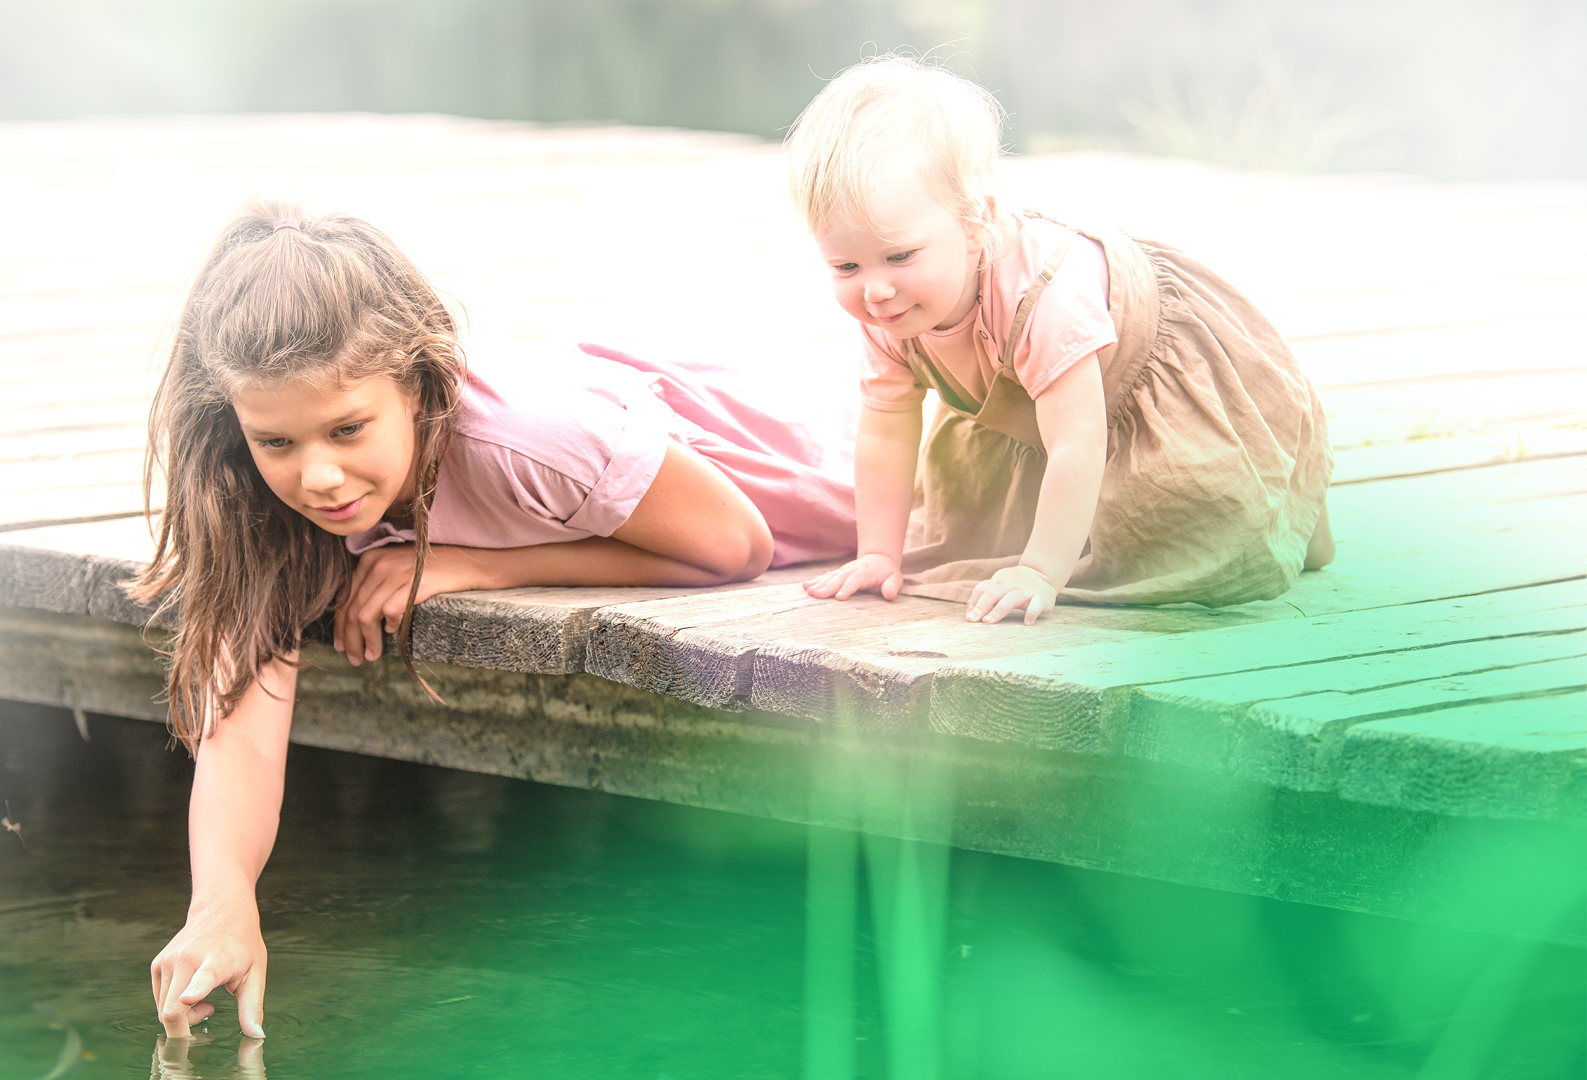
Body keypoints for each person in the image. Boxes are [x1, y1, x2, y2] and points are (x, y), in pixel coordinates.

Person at [128, 202, 854, 1039]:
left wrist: (473, 565)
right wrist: (222, 904)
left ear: (413, 383)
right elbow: (244, 720)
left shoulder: (527, 438)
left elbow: (737, 544)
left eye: (347, 429)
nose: (319, 475)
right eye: (277, 442)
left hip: (864, 478)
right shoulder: (259, 489)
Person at [794, 56, 1335, 624]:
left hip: (1142, 372)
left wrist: (1040, 571)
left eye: (899, 255)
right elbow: (886, 431)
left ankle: (1301, 509)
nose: (875, 290)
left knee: (1207, 520)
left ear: (976, 219)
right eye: (845, 265)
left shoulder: (1044, 299)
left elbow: (1078, 443)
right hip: (1029, 402)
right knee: (982, 533)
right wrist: (879, 553)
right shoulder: (893, 308)